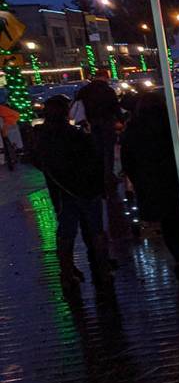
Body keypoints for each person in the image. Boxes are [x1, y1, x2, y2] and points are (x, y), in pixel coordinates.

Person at [33, 96, 114, 297]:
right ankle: (103, 269)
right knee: (96, 230)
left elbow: (39, 161)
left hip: (62, 192)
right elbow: (93, 160)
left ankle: (67, 273)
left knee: (66, 233)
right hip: (86, 190)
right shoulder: (76, 135)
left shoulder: (43, 138)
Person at [121, 92, 179, 289]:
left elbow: (128, 161)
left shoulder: (134, 130)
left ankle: (178, 258)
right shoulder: (172, 125)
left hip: (152, 184)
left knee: (168, 224)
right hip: (176, 179)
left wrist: (138, 180)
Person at [76, 69, 122, 196]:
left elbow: (78, 105)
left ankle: (100, 175)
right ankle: (109, 175)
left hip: (92, 123)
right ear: (105, 77)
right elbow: (115, 107)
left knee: (98, 150)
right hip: (107, 123)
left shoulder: (85, 90)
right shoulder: (108, 91)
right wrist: (121, 120)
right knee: (108, 150)